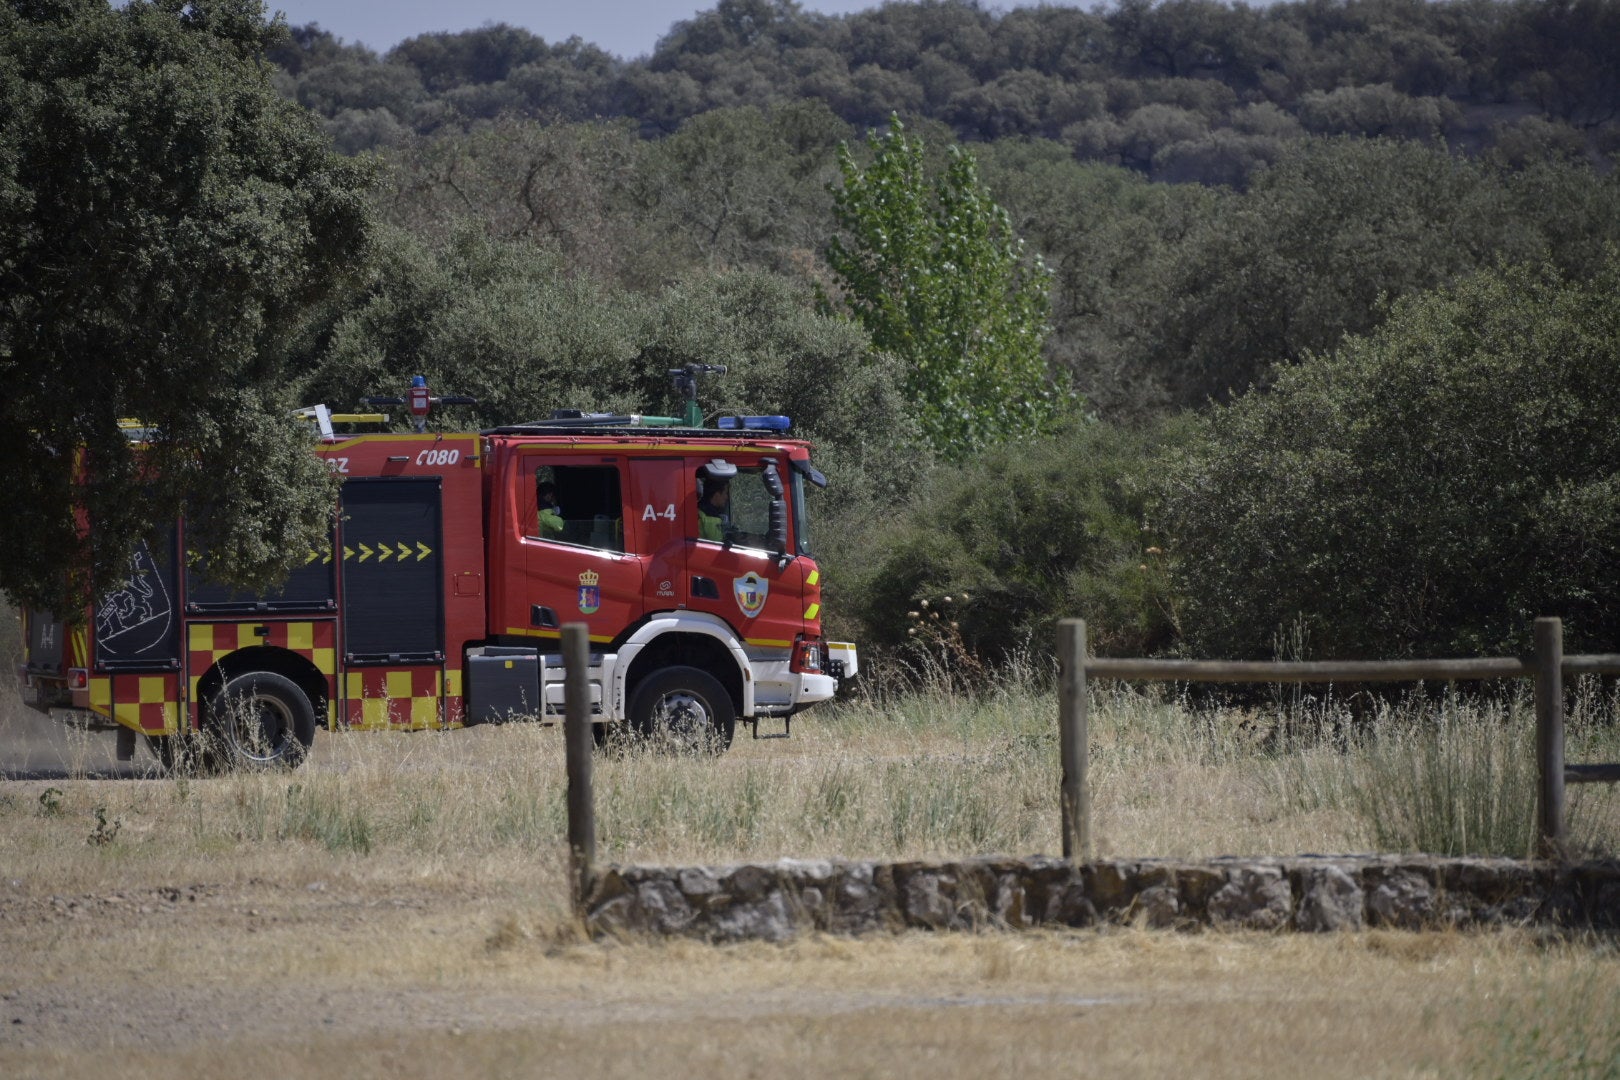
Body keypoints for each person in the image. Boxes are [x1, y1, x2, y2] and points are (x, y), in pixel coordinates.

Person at [697, 475, 730, 542]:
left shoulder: (699, 509)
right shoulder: (710, 517)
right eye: (725, 493)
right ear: (717, 495)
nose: (727, 497)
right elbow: (717, 546)